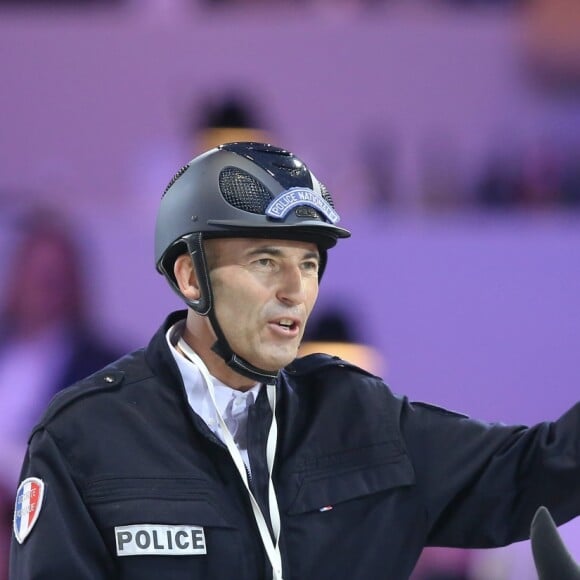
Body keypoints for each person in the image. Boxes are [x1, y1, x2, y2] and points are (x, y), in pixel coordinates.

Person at [8, 142, 580, 580]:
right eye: (264, 260)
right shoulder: (85, 438)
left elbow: (538, 468)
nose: (295, 291)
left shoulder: (363, 418)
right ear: (190, 276)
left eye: (308, 264)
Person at [0, 208, 122, 579]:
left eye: (55, 277)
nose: (45, 287)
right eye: (37, 274)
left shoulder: (107, 368)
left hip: (41, 513)